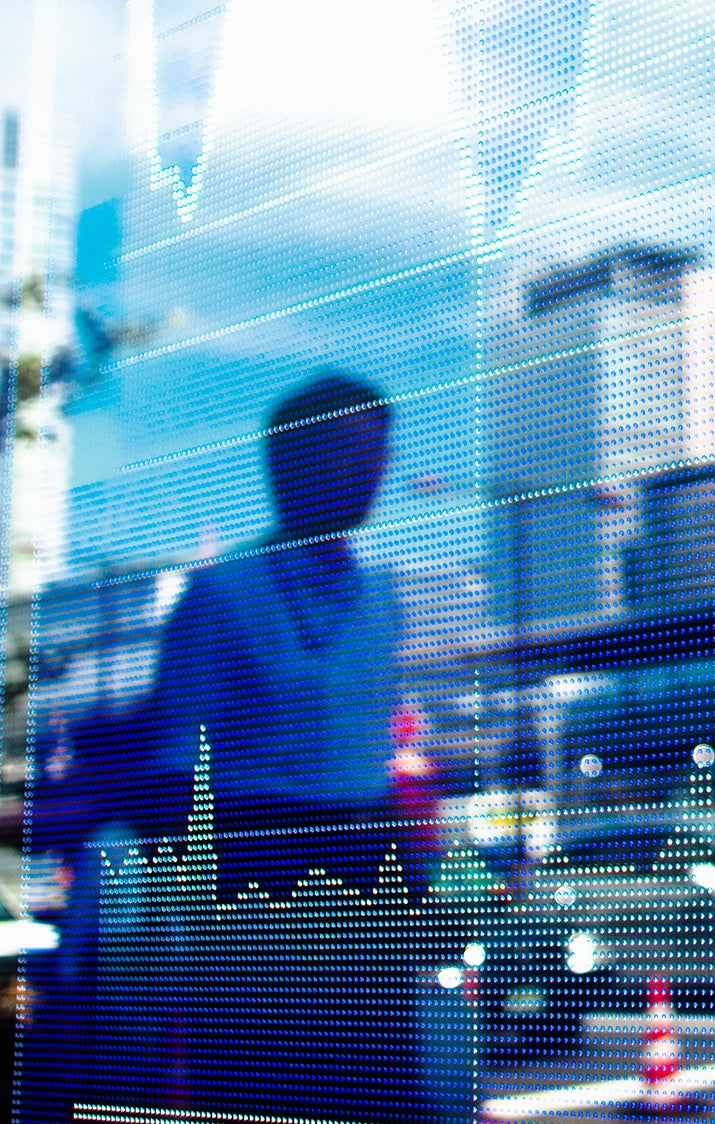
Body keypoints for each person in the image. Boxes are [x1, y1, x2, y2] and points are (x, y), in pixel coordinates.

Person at [113, 374, 454, 1122]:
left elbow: (377, 755)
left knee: (382, 1081)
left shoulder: (382, 600)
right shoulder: (223, 595)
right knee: (270, 1084)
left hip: (367, 874)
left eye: (378, 453)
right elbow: (174, 773)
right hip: (257, 870)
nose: (373, 473)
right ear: (291, 463)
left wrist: (414, 872)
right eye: (351, 452)